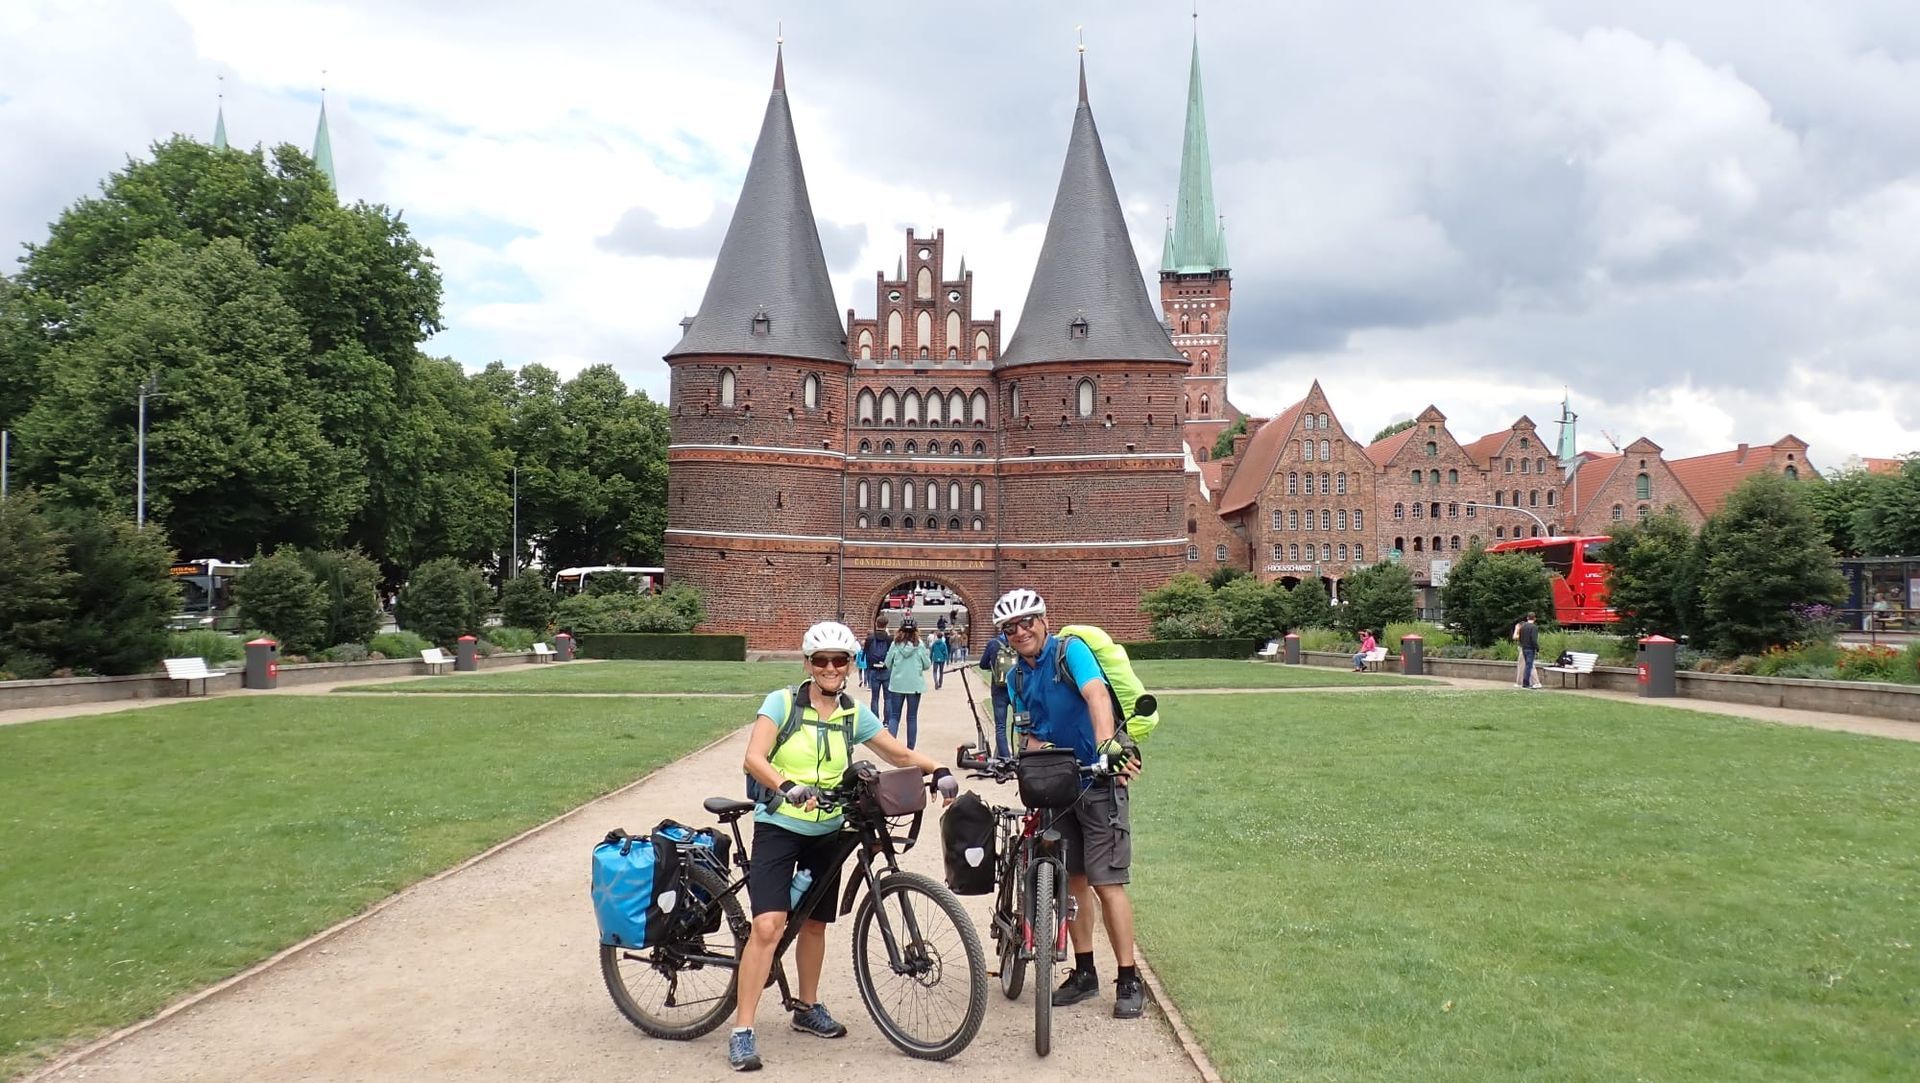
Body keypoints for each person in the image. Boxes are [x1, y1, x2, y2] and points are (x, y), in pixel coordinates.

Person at [731, 620, 958, 1072]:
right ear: (808, 665)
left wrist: (937, 768)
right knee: (768, 927)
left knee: (815, 924)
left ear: (851, 665)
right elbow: (753, 757)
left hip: (828, 830)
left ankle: (807, 1007)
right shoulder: (781, 703)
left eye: (839, 660)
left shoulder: (853, 713)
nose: (831, 668)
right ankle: (743, 1029)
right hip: (780, 824)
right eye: (822, 660)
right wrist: (786, 784)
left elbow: (896, 752)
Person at [995, 587, 1146, 1020]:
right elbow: (1028, 731)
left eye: (1028, 622)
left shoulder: (1071, 651)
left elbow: (1096, 696)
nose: (1022, 631)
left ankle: (1128, 976)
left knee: (1107, 882)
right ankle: (1084, 972)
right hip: (1057, 787)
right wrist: (1034, 750)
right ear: (1005, 635)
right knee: (1073, 880)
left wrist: (1106, 750)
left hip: (1098, 782)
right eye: (1012, 627)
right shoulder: (1016, 677)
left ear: (1044, 620)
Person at [883, 618, 931, 749]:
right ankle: (910, 748)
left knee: (894, 716)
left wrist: (896, 669)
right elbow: (927, 665)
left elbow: (887, 663)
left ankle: (891, 746)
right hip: (914, 685)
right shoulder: (919, 645)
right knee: (911, 717)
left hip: (897, 684)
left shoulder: (895, 644)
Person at [977, 629, 1015, 758]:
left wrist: (994, 666)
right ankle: (1023, 757)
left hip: (998, 689)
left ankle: (1006, 759)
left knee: (1000, 727)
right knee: (1023, 724)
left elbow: (982, 664)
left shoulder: (993, 643)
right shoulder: (1017, 642)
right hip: (1016, 688)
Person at [861, 617, 892, 716]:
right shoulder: (890, 639)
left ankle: (875, 718)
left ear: (876, 624)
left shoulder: (870, 639)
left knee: (875, 697)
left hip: (874, 670)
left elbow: (865, 653)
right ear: (886, 625)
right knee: (888, 698)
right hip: (886, 669)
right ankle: (886, 720)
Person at [1513, 613, 1540, 689]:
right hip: (1530, 648)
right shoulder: (1534, 627)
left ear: (1527, 618)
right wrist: (1537, 648)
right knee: (1529, 666)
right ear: (1534, 618)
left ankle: (1524, 683)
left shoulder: (1522, 626)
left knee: (1525, 666)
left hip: (1523, 648)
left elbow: (1519, 637)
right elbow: (1533, 639)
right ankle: (1530, 683)